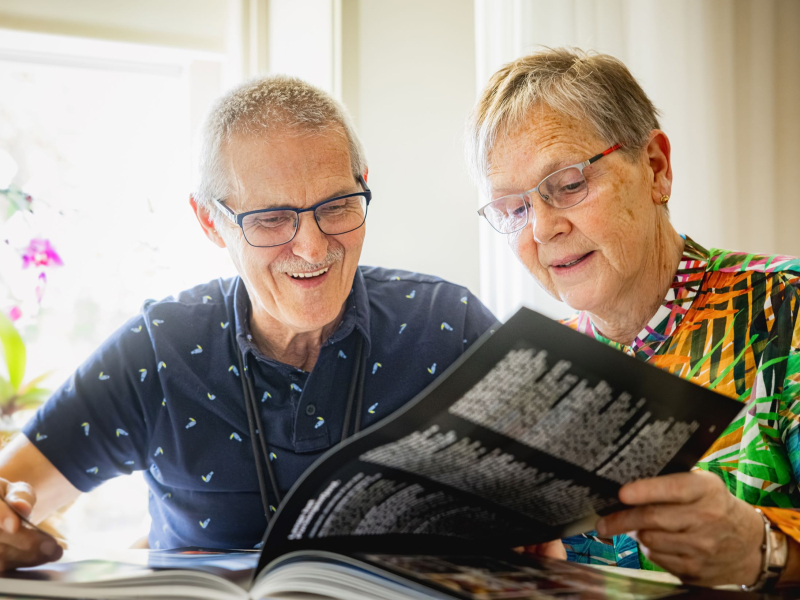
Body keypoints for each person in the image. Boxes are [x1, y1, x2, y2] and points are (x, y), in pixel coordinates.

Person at [0, 75, 497, 570]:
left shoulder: (448, 324)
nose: (313, 248)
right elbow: (17, 493)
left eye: (338, 205)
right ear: (210, 221)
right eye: (272, 219)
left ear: (364, 182)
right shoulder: (156, 349)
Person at [465, 48, 800, 591]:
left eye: (570, 184)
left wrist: (765, 553)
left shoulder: (785, 306)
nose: (544, 228)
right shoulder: (540, 379)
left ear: (656, 168)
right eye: (515, 208)